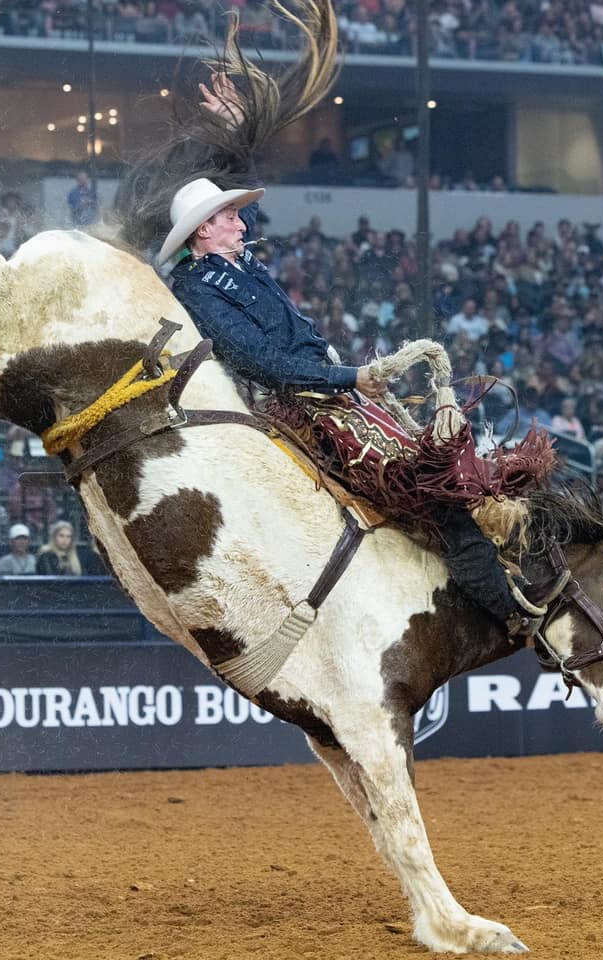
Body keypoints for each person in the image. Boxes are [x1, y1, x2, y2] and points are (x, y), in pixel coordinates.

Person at [160, 73, 552, 639]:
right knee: (428, 484)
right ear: (202, 232)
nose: (242, 222)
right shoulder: (198, 288)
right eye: (228, 217)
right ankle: (506, 611)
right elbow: (259, 362)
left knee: (443, 467)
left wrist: (230, 131)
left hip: (329, 389)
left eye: (237, 215)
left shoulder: (235, 265)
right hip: (307, 402)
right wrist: (351, 375)